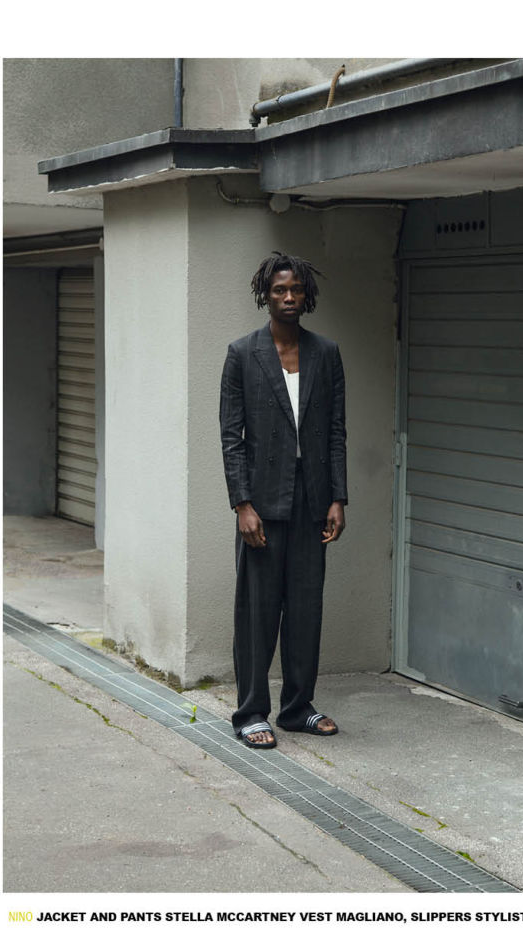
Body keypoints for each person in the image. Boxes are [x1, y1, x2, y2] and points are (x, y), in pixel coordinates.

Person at [219, 251, 347, 749]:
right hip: (263, 504)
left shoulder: (326, 353)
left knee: (306, 608)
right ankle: (251, 712)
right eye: (279, 290)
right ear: (266, 295)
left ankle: (298, 708)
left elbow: (336, 431)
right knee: (258, 612)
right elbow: (231, 437)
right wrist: (242, 504)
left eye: (295, 289)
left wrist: (338, 497)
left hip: (312, 502)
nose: (288, 297)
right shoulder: (242, 353)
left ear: (306, 295)